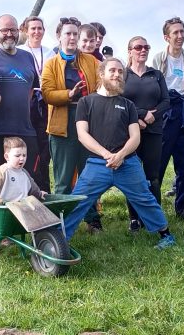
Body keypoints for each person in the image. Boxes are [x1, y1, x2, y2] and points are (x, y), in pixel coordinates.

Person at [63, 58, 175, 249]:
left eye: (120, 72)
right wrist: (108, 155)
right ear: (101, 74)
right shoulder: (86, 102)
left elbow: (135, 137)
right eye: (112, 71)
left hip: (127, 164)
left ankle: (166, 235)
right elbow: (82, 135)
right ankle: (58, 238)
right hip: (98, 164)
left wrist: (121, 155)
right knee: (78, 200)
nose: (117, 75)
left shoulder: (128, 105)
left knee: (144, 198)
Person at [42, 16, 102, 233]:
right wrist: (69, 94)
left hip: (87, 123)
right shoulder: (51, 64)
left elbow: (100, 86)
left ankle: (92, 219)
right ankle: (60, 223)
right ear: (59, 36)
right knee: (63, 179)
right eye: (68, 33)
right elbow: (47, 93)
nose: (72, 37)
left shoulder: (92, 62)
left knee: (89, 176)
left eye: (75, 34)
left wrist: (90, 99)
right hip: (62, 125)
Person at [152, 16, 184, 219]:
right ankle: (153, 209)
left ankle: (183, 209)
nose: (180, 36)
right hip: (165, 114)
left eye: (182, 31)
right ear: (166, 37)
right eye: (175, 32)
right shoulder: (158, 59)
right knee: (158, 163)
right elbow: (153, 88)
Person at [0, 14, 40, 177]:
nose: (9, 34)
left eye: (13, 30)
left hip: (24, 129)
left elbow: (31, 89)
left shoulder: (27, 56)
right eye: (5, 30)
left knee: (26, 178)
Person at [122, 36, 169, 232]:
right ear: (130, 51)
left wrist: (152, 116)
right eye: (138, 47)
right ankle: (134, 218)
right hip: (130, 131)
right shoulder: (123, 74)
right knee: (132, 176)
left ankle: (155, 218)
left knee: (153, 177)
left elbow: (166, 101)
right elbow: (120, 100)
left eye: (146, 47)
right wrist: (140, 115)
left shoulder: (156, 74)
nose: (143, 50)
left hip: (153, 131)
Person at [21, 15, 55, 191]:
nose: (36, 31)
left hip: (45, 103)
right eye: (33, 28)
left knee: (43, 150)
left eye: (39, 28)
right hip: (26, 103)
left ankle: (44, 190)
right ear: (26, 31)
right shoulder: (20, 51)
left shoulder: (50, 53)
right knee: (26, 147)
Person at [0, 137, 46, 205]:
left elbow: (33, 188)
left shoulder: (24, 173)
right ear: (7, 156)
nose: (22, 158)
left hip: (22, 209)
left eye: (24, 155)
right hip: (4, 209)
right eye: (17, 156)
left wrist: (39, 194)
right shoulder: (2, 171)